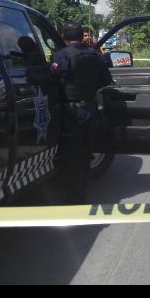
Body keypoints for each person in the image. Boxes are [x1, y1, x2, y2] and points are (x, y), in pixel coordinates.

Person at [50, 21, 113, 204]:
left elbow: (52, 80)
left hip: (71, 113)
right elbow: (105, 80)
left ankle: (75, 197)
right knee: (85, 154)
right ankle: (82, 190)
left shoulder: (62, 56)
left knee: (71, 156)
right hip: (90, 110)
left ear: (63, 37)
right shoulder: (94, 54)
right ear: (80, 36)